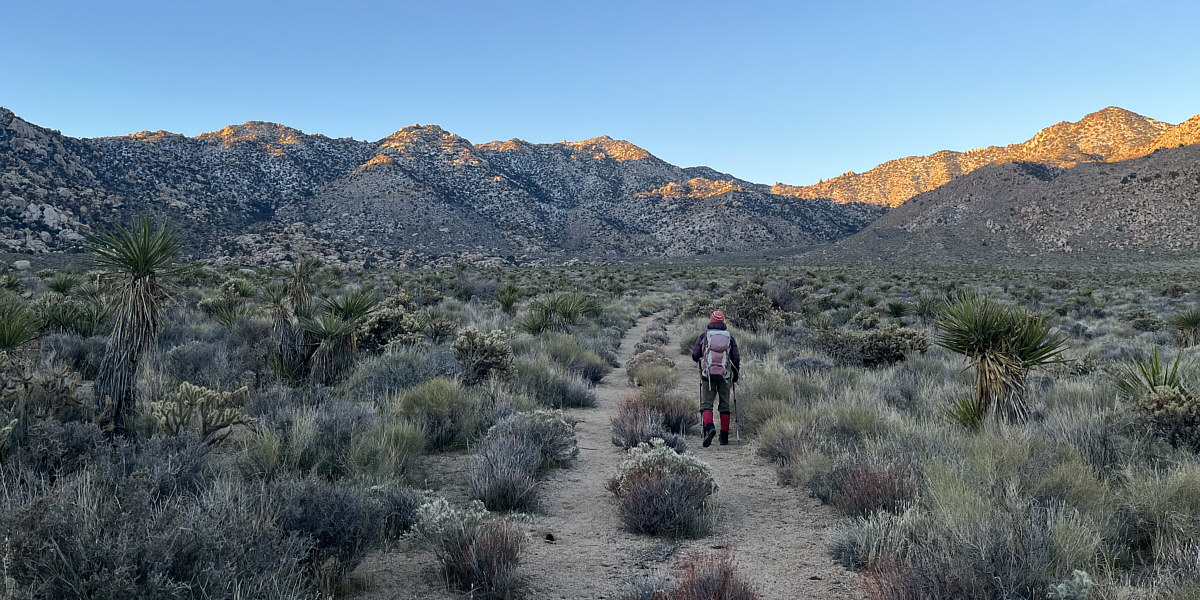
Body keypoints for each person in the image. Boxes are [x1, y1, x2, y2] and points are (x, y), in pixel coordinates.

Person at [691, 310, 740, 447]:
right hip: (725, 376)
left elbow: (695, 356)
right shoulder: (730, 337)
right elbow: (735, 358)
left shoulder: (704, 336)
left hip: (708, 376)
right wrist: (735, 375)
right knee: (724, 406)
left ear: (711, 321)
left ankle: (710, 428)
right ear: (723, 322)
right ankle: (724, 437)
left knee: (707, 404)